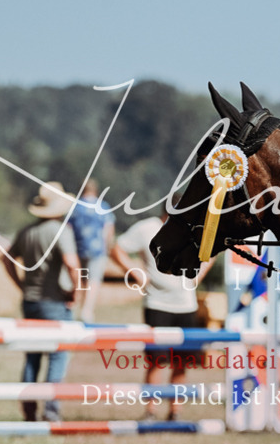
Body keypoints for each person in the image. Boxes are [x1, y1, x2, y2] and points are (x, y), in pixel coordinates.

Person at [109, 198, 212, 421]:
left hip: (187, 306)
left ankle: (176, 412)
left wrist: (199, 275)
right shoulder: (147, 228)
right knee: (157, 362)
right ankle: (151, 411)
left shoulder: (194, 229)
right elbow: (116, 249)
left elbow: (212, 251)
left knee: (181, 363)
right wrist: (135, 272)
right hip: (157, 305)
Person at [4, 182, 80, 422]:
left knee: (32, 357)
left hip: (30, 301)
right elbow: (72, 264)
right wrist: (75, 292)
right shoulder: (61, 231)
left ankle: (28, 409)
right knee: (58, 355)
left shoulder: (27, 231)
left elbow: (7, 259)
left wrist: (21, 284)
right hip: (54, 302)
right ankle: (51, 409)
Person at [68, 178, 114, 322]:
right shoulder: (103, 206)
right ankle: (87, 311)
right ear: (96, 190)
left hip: (77, 249)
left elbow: (68, 228)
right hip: (97, 250)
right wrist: (108, 248)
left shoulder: (75, 206)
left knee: (78, 279)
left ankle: (74, 306)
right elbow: (109, 229)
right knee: (93, 280)